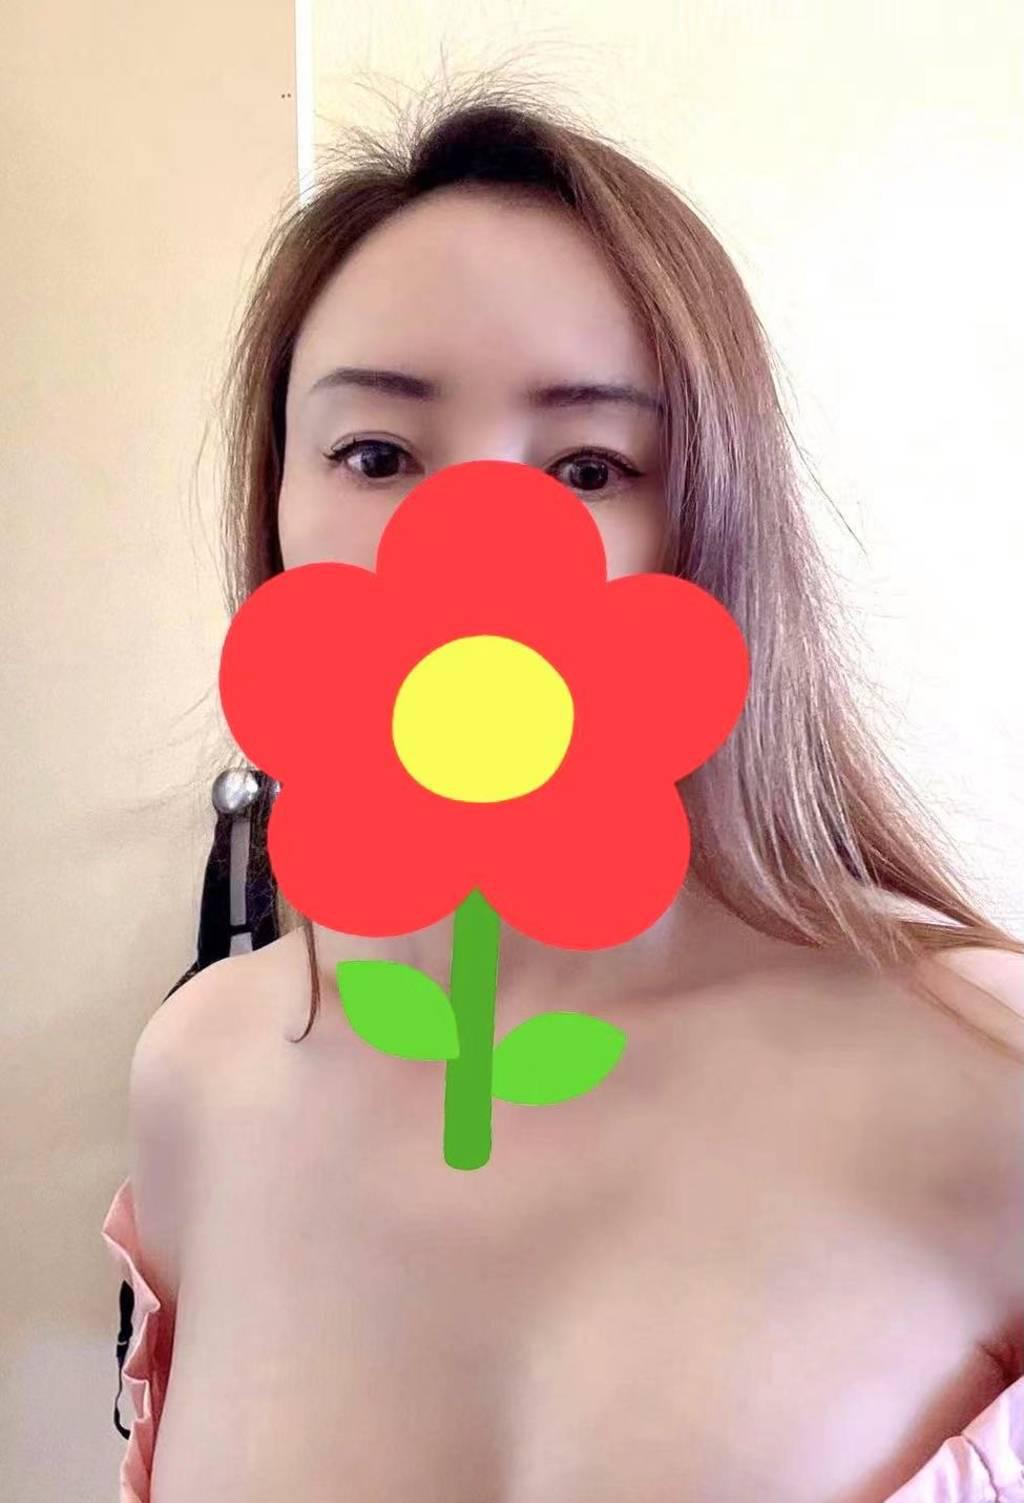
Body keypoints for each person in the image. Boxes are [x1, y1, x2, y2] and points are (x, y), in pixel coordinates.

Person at [102, 75, 1024, 1503]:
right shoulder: (202, 1073)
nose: (474, 539)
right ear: (275, 507)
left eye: (592, 466)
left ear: (713, 528)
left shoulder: (985, 1068)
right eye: (376, 455)